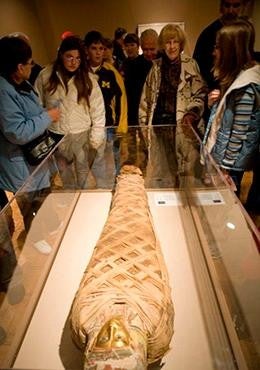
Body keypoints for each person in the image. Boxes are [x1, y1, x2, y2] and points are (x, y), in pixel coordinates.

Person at [0, 36, 60, 236]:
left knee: (44, 206)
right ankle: (36, 243)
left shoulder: (20, 85)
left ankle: (45, 237)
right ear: (18, 67)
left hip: (35, 162)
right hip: (22, 167)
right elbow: (17, 131)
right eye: (29, 63)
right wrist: (47, 116)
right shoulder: (3, 92)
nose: (32, 66)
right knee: (32, 211)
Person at [139, 24, 207, 187]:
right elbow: (145, 102)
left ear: (180, 44)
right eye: (168, 42)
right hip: (160, 132)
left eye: (175, 42)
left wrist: (192, 113)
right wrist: (145, 129)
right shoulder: (155, 69)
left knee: (188, 176)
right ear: (162, 45)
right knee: (162, 176)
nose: (171, 46)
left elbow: (200, 94)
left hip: (184, 130)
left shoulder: (191, 65)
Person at [35, 35, 106, 189]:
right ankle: (70, 202)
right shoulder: (45, 76)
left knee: (83, 174)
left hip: (81, 133)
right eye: (69, 57)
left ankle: (83, 202)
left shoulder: (87, 78)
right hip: (56, 134)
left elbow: (98, 110)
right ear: (61, 55)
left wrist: (96, 138)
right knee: (64, 175)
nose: (74, 62)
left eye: (78, 58)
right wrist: (43, 128)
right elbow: (37, 104)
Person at [202, 20, 260, 199]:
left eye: (218, 48)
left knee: (225, 207)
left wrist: (224, 168)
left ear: (231, 52)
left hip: (228, 166)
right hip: (221, 160)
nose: (214, 52)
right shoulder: (235, 79)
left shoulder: (246, 87)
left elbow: (238, 133)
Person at [84, 30, 127, 181]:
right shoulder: (80, 73)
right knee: (93, 163)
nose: (98, 53)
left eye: (101, 49)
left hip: (109, 126)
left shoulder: (110, 73)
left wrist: (120, 127)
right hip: (86, 126)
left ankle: (114, 188)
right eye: (94, 48)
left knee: (112, 162)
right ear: (86, 50)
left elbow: (121, 100)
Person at [193, 0, 244, 90]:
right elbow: (197, 68)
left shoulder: (244, 33)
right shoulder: (208, 34)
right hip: (214, 90)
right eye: (227, 5)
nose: (231, 11)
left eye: (236, 6)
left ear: (242, 7)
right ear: (221, 7)